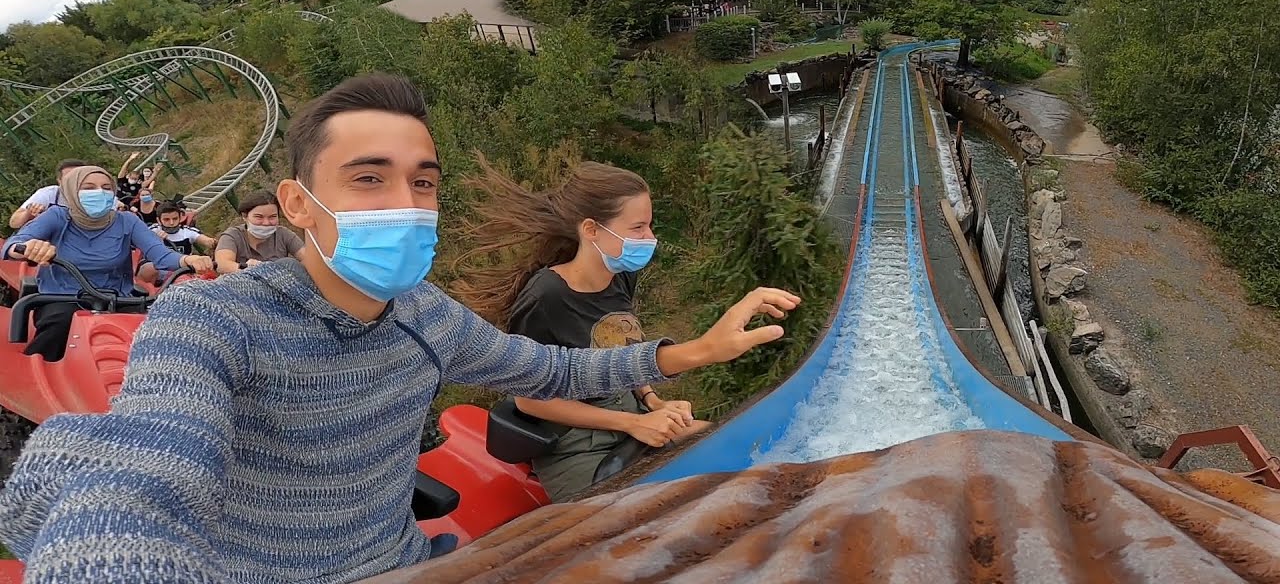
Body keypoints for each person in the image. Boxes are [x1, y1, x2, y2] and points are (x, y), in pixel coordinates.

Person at [0, 73, 800, 584]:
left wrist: (699, 350)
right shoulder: (210, 319)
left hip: (407, 565)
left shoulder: (423, 316)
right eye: (369, 179)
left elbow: (548, 371)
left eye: (422, 183)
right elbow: (148, 468)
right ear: (298, 205)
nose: (406, 205)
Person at [454, 159, 710, 503]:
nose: (650, 238)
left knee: (723, 448)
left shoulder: (619, 274)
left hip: (630, 420)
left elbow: (623, 349)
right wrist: (630, 424)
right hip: (575, 446)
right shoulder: (547, 296)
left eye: (649, 226)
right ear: (591, 230)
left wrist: (652, 400)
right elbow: (529, 401)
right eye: (637, 228)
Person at [1, 166, 214, 361]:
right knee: (57, 326)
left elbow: (161, 254)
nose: (99, 193)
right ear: (72, 191)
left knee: (156, 337)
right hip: (62, 298)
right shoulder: (56, 217)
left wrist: (188, 259)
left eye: (105, 187)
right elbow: (12, 246)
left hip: (118, 299)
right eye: (89, 188)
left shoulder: (127, 221)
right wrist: (30, 248)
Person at [214, 190, 304, 273]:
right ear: (245, 216)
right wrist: (247, 267)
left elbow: (306, 256)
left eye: (272, 217)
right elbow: (221, 264)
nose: (266, 223)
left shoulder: (283, 234)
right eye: (259, 217)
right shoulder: (233, 235)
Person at [137, 202, 217, 285]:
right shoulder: (152, 230)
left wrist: (213, 243)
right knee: (149, 269)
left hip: (182, 271)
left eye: (175, 219)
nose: (171, 223)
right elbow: (140, 244)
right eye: (166, 219)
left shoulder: (187, 232)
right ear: (159, 220)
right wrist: (156, 240)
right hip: (157, 270)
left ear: (180, 218)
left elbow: (207, 240)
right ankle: (144, 293)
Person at [7, 158, 88, 229]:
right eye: (69, 178)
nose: (75, 181)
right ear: (59, 181)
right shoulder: (49, 194)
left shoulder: (95, 193)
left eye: (79, 176)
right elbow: (14, 223)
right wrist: (28, 214)